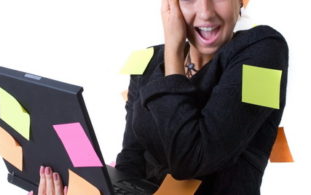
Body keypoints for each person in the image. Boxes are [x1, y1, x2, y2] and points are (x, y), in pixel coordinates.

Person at [29, 0, 288, 194]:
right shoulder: (149, 61)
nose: (206, 12)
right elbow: (130, 160)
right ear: (170, 6)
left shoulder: (264, 54)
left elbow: (191, 160)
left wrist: (173, 53)